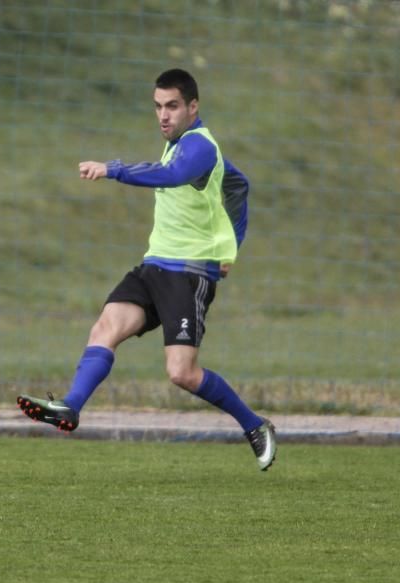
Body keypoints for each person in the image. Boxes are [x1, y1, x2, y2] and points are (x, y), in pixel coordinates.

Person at [17, 68, 276, 472]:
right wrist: (232, 244)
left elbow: (174, 177)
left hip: (188, 274)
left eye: (172, 106)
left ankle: (254, 425)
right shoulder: (178, 145)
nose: (163, 116)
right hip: (154, 265)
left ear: (193, 107)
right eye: (157, 107)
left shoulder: (200, 147)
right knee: (105, 328)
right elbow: (238, 183)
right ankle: (70, 407)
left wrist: (113, 168)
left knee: (182, 373)